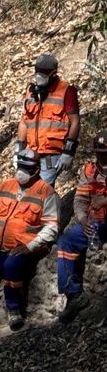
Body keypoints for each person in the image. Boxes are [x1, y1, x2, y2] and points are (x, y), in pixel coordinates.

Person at [0, 149, 60, 333]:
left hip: (26, 249)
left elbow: (51, 228)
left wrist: (29, 246)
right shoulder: (5, 186)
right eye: (20, 167)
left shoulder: (47, 193)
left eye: (26, 168)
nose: (22, 172)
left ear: (36, 170)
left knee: (12, 267)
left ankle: (14, 310)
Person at [57, 129, 107, 323]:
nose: (100, 156)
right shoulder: (90, 170)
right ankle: (73, 294)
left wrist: (105, 201)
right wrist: (82, 219)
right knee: (68, 241)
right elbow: (79, 199)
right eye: (98, 152)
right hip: (95, 223)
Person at [14, 53, 80, 186]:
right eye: (37, 71)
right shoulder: (31, 92)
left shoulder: (66, 91)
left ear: (53, 73)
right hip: (30, 152)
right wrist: (18, 150)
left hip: (51, 153)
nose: (39, 75)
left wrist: (68, 151)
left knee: (41, 191)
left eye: (44, 72)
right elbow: (24, 121)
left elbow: (75, 121)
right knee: (24, 188)